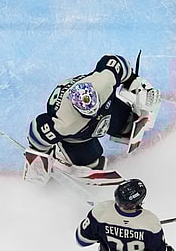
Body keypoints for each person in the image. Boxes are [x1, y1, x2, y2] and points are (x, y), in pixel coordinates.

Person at [24, 54, 161, 183]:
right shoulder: (64, 122)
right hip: (79, 137)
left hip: (107, 109)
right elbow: (38, 133)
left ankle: (123, 125)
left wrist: (132, 80)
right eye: (88, 114)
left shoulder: (103, 82)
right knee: (93, 165)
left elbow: (115, 63)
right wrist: (41, 158)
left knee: (126, 125)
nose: (94, 116)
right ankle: (76, 157)